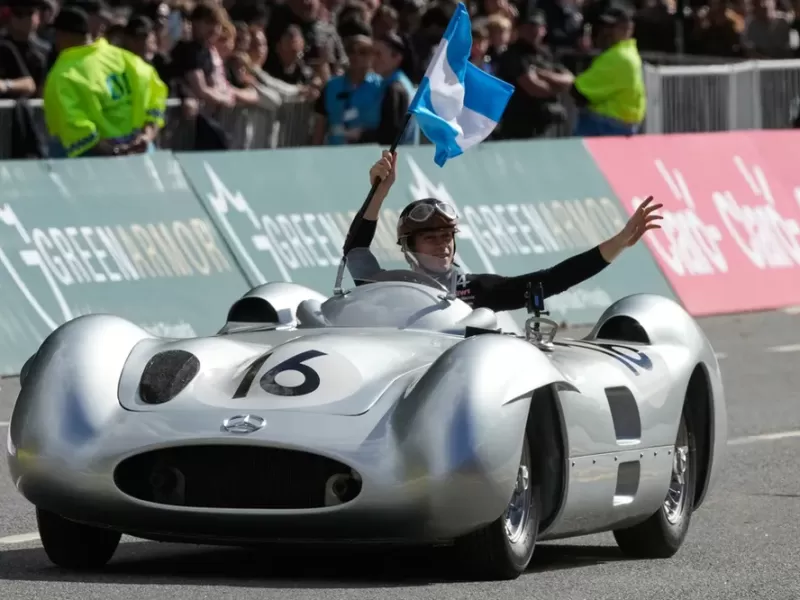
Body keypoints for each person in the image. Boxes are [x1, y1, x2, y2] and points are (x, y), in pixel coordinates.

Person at [344, 150, 663, 312]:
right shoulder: (388, 286)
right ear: (409, 246)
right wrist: (379, 192)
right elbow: (355, 253)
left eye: (446, 236)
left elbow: (553, 279)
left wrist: (619, 242)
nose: (442, 245)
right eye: (430, 237)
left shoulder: (475, 290)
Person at [42, 6, 168, 158]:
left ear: (62, 35)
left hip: (97, 161)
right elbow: (155, 91)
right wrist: (147, 135)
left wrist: (115, 152)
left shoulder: (62, 75)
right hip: (140, 152)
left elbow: (75, 127)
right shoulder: (123, 58)